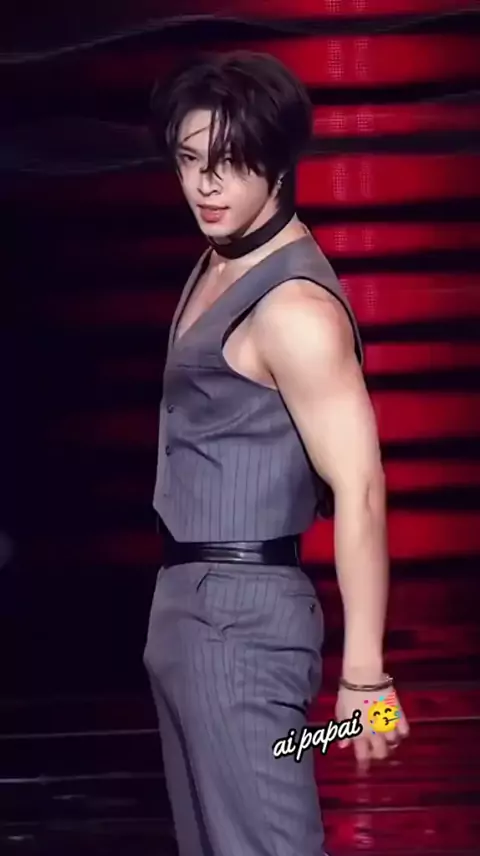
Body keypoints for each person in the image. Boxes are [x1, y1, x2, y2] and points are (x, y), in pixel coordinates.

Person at [143, 50, 409, 856]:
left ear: (280, 162)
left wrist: (365, 678)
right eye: (190, 159)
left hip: (242, 621)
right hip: (191, 612)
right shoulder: (218, 262)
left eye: (229, 161)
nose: (206, 184)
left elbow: (360, 487)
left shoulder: (293, 307)